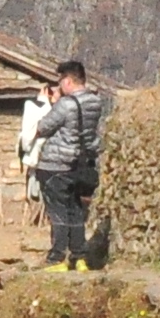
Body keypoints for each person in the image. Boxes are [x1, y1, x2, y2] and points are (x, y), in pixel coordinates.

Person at [23, 59, 110, 270]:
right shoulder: (95, 102)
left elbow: (44, 126)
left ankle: (58, 257)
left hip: (55, 164)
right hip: (80, 164)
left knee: (58, 211)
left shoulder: (66, 104)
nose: (59, 85)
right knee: (76, 210)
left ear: (69, 81)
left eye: (61, 81)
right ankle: (79, 257)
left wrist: (46, 104)